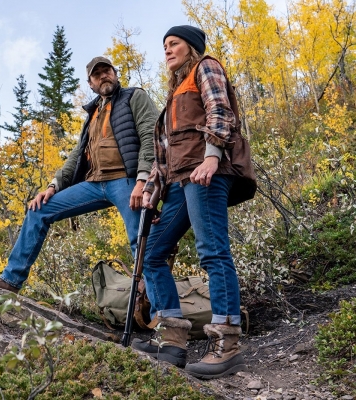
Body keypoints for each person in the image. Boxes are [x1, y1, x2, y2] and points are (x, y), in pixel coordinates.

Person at [131, 25, 249, 379]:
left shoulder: (206, 67)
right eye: (164, 45)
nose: (167, 50)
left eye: (174, 43)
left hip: (206, 172)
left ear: (191, 47)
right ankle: (173, 339)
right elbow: (164, 155)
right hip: (181, 182)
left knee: (212, 250)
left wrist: (212, 156)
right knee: (152, 254)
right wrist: (152, 192)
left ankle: (226, 345)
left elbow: (220, 110)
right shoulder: (173, 93)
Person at [0, 56, 158, 294]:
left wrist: (143, 181)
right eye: (97, 75)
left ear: (115, 73)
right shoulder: (92, 115)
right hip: (95, 183)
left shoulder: (134, 97)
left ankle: (157, 313)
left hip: (127, 180)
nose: (103, 76)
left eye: (106, 71)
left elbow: (151, 136)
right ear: (90, 83)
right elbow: (77, 155)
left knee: (141, 241)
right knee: (39, 209)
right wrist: (53, 186)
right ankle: (10, 281)